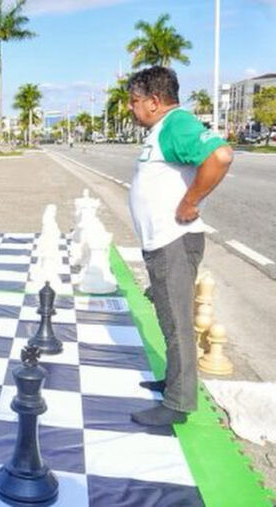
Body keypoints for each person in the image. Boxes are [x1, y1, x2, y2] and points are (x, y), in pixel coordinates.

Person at [126, 66, 233, 426]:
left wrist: (191, 201)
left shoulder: (176, 123)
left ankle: (178, 403)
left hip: (173, 241)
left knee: (177, 324)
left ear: (155, 101)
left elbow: (219, 156)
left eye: (135, 101)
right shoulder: (161, 129)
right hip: (162, 242)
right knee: (169, 316)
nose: (130, 107)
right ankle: (174, 381)